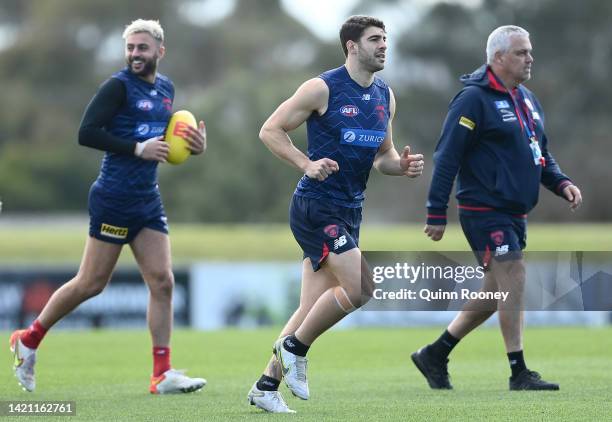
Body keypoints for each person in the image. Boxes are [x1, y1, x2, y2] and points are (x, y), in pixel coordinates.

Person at [10, 19, 207, 395]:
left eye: (142, 48)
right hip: (113, 198)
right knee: (91, 284)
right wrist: (137, 149)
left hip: (147, 198)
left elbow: (167, 139)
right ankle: (29, 338)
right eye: (130, 47)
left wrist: (193, 145)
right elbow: (87, 133)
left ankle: (161, 374)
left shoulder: (166, 88)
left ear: (159, 52)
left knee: (163, 282)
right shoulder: (117, 87)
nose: (135, 54)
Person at [247, 15, 425, 413]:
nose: (383, 46)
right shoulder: (321, 88)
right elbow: (270, 130)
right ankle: (295, 348)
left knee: (310, 307)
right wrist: (305, 163)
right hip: (316, 205)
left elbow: (384, 156)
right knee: (362, 288)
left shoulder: (385, 96)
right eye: (375, 39)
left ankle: (265, 385)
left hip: (349, 210)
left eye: (386, 39)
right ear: (352, 46)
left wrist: (403, 166)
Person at [412, 25, 582, 391]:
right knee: (514, 276)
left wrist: (561, 182)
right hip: (483, 208)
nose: (530, 58)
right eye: (522, 52)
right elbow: (447, 156)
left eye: (530, 51)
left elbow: (541, 153)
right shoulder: (472, 100)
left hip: (515, 211)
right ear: (499, 57)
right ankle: (519, 371)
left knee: (498, 289)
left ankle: (436, 353)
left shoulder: (527, 99)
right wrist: (436, 210)